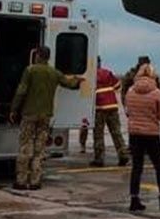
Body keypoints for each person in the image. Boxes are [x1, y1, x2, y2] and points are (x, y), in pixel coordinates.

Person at [10, 46, 82, 190]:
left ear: (37, 55)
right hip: (45, 115)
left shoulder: (30, 70)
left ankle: (21, 181)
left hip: (29, 114)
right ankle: (35, 181)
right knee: (40, 149)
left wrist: (14, 109)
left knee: (25, 147)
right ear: (48, 57)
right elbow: (69, 84)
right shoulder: (54, 72)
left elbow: (21, 91)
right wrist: (78, 80)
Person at [125, 61, 160, 211]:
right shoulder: (157, 93)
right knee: (159, 166)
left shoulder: (130, 91)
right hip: (151, 133)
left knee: (137, 167)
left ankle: (134, 200)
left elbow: (128, 112)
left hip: (134, 134)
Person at [90, 56, 130, 167]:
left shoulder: (90, 75)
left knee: (98, 134)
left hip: (99, 108)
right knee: (116, 132)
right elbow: (117, 85)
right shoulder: (107, 72)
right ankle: (123, 155)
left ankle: (99, 159)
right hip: (112, 106)